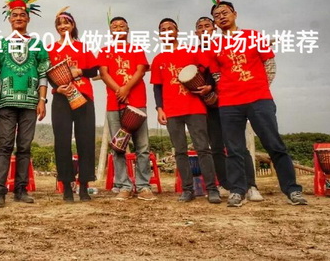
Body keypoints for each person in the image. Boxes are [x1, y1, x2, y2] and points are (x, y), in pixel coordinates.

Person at [207, 0, 307, 207]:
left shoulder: (253, 36)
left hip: (259, 99)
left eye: (225, 13)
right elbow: (216, 75)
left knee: (274, 144)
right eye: (217, 16)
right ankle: (237, 191)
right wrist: (225, 91)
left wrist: (261, 87)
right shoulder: (214, 45)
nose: (221, 17)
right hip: (229, 103)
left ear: (235, 14)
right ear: (215, 23)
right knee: (233, 149)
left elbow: (269, 64)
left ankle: (292, 190)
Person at [0, 0, 50, 208]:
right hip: (5, 102)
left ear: (28, 19)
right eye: (14, 15)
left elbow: (42, 74)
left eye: (22, 15)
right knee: (4, 145)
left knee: (25, 146)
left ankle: (21, 189)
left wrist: (42, 100)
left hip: (30, 102)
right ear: (9, 19)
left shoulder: (37, 45)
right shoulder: (0, 44)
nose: (18, 18)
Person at [151, 18, 221, 204]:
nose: (167, 31)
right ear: (160, 34)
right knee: (180, 151)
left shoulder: (192, 51)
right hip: (172, 110)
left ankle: (212, 189)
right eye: (163, 29)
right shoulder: (158, 59)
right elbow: (157, 87)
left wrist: (209, 87)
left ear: (177, 31)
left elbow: (211, 71)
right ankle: (187, 189)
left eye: (170, 28)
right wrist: (159, 109)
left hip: (194, 107)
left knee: (203, 149)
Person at [195, 16, 263, 201]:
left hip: (231, 102)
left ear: (214, 28)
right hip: (209, 106)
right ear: (196, 33)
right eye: (200, 27)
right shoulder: (194, 52)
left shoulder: (225, 45)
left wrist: (213, 88)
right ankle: (227, 184)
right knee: (216, 147)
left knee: (237, 146)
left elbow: (229, 72)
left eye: (207, 25)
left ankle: (250, 185)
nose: (204, 29)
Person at [99, 16, 155, 201]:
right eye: (114, 26)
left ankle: (143, 185)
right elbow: (104, 73)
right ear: (110, 31)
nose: (118, 28)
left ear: (128, 29)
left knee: (142, 146)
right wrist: (119, 90)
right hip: (114, 104)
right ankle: (123, 185)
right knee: (119, 147)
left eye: (122, 26)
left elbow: (140, 70)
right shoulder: (105, 50)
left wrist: (126, 88)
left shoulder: (136, 48)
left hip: (137, 103)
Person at [48, 8, 98, 202]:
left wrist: (79, 72)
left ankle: (84, 186)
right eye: (59, 24)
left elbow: (94, 70)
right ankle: (67, 186)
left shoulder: (83, 47)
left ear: (73, 25)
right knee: (62, 141)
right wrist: (57, 88)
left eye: (66, 23)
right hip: (61, 98)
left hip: (83, 96)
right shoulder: (51, 49)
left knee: (85, 141)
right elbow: (46, 74)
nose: (63, 26)